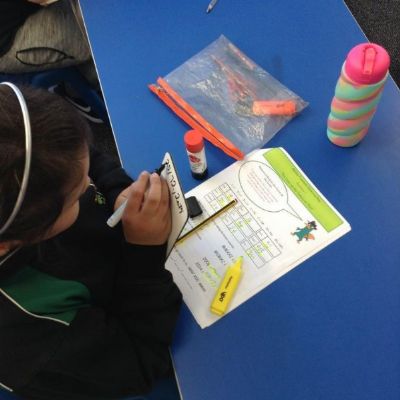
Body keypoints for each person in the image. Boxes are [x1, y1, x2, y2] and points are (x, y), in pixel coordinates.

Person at [0, 84, 182, 400]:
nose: (88, 185)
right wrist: (144, 252)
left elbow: (81, 157)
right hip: (139, 337)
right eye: (74, 197)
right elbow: (140, 362)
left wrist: (116, 190)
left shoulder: (41, 157)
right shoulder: (29, 337)